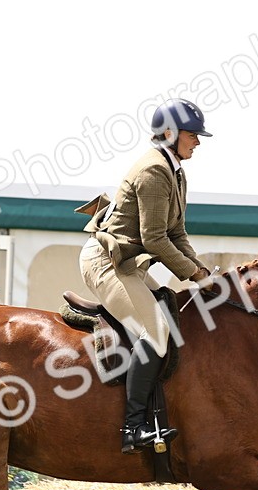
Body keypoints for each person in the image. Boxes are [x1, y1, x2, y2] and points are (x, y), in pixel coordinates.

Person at [78, 97, 214, 454]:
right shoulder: (154, 171)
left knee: (170, 310)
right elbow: (155, 239)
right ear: (170, 133)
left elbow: (176, 233)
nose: (197, 142)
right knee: (156, 332)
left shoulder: (175, 171)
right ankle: (133, 427)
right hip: (107, 263)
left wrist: (200, 272)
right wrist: (195, 275)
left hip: (131, 263)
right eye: (192, 135)